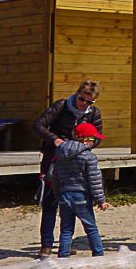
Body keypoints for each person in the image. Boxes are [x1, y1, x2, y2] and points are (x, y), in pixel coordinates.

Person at [32, 80, 104, 257]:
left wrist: (82, 150)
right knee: (51, 201)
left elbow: (97, 136)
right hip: (54, 158)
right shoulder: (61, 106)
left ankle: (65, 244)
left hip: (77, 162)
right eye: (82, 99)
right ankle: (46, 244)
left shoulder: (93, 113)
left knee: (71, 204)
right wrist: (55, 140)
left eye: (89, 102)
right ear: (77, 94)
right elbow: (38, 125)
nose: (84, 104)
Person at [50, 122, 111, 257]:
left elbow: (55, 179)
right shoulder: (89, 156)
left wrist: (58, 195)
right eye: (93, 139)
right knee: (91, 228)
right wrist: (101, 200)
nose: (95, 142)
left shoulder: (60, 155)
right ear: (85, 140)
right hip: (81, 196)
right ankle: (98, 254)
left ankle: (63, 255)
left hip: (65, 195)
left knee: (66, 229)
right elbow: (94, 180)